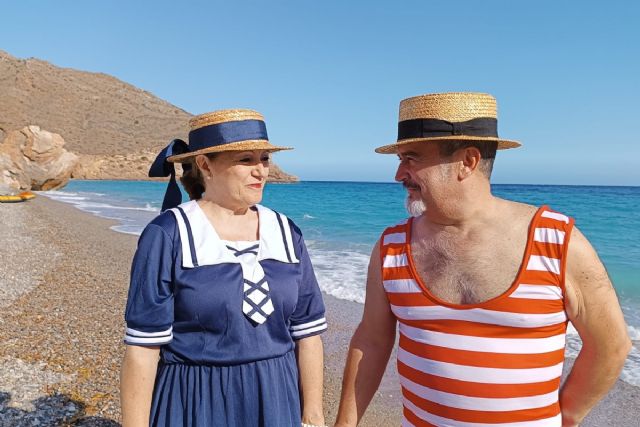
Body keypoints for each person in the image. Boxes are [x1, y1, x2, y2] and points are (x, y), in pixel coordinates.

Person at [335, 92, 631, 427]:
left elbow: (610, 345)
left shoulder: (556, 241)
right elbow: (372, 340)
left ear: (468, 161)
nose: (399, 173)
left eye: (411, 159)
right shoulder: (392, 247)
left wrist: (568, 416)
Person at [120, 109, 328, 427]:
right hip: (195, 402)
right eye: (246, 159)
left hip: (277, 399)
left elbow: (308, 332)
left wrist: (312, 415)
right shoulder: (168, 234)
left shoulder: (286, 232)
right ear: (205, 165)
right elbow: (143, 348)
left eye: (265, 159)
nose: (261, 171)